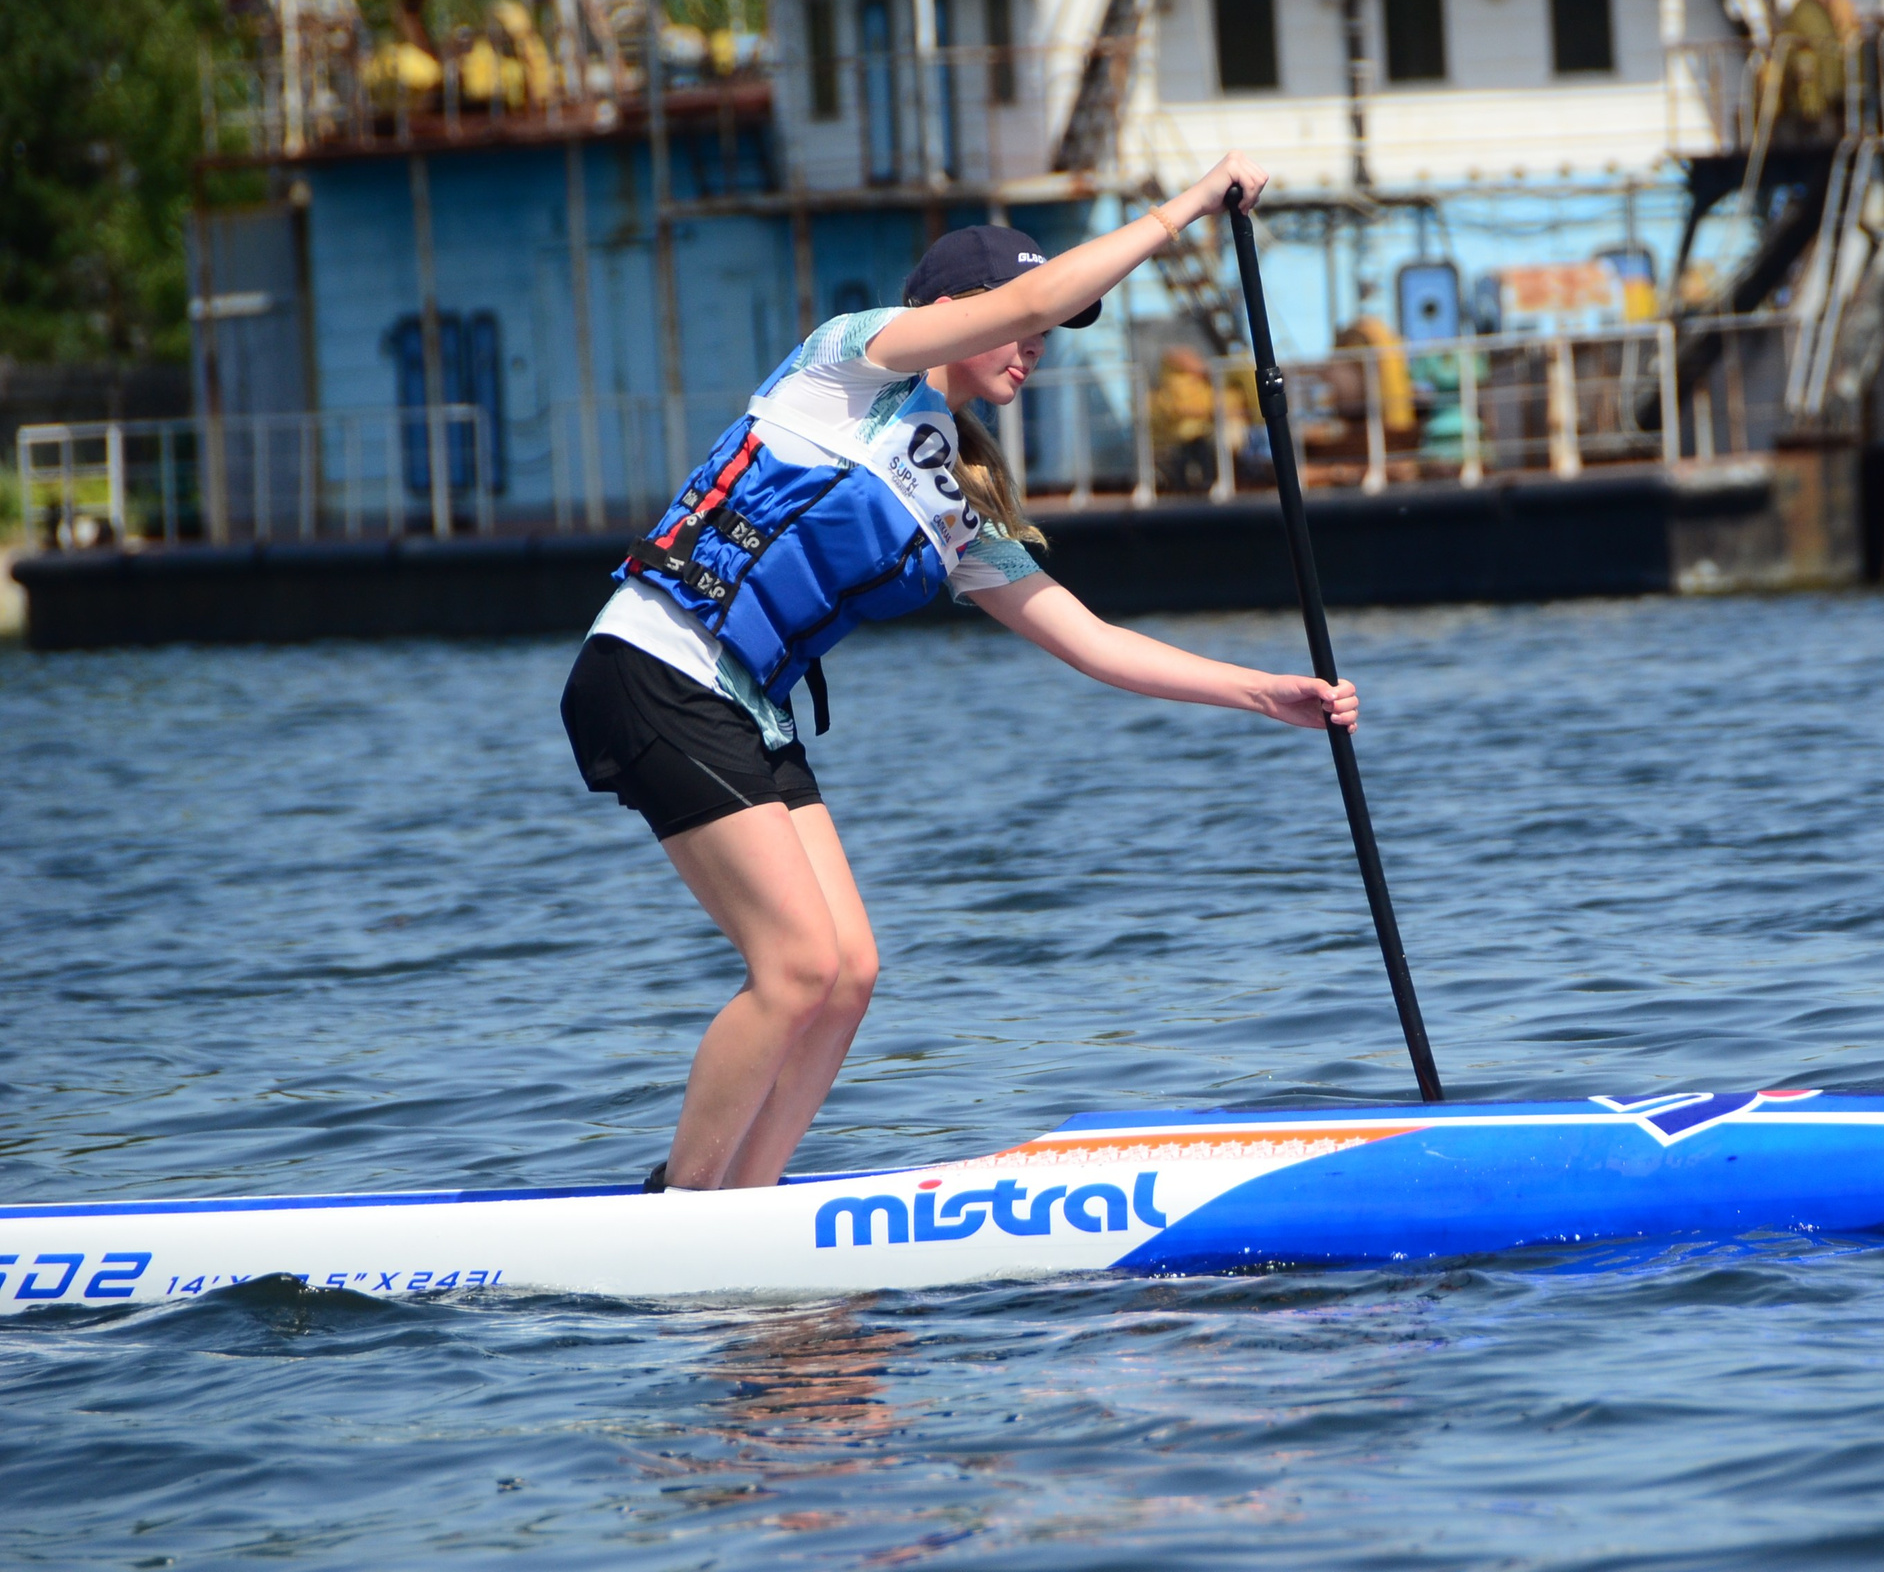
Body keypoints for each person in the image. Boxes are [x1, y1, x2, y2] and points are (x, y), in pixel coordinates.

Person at [560, 153, 1352, 1193]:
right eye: (1019, 327)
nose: (1034, 344)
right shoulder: (847, 362)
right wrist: (1193, 204)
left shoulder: (961, 498)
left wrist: (1263, 692)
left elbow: (1088, 639)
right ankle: (678, 1215)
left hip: (745, 707)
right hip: (652, 667)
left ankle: (750, 1205)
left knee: (848, 976)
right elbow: (1031, 292)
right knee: (796, 964)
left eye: (1041, 336)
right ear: (948, 311)